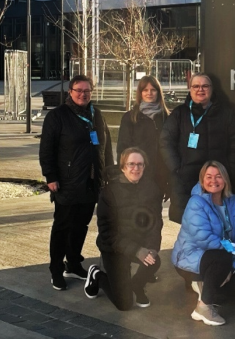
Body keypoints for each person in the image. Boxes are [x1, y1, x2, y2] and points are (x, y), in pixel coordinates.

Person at [39, 74, 113, 291]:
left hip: (92, 183)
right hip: (67, 183)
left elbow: (106, 146)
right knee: (62, 227)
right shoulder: (58, 116)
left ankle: (73, 263)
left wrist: (108, 172)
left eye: (87, 91)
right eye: (78, 90)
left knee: (81, 225)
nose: (83, 94)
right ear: (70, 92)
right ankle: (55, 269)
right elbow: (46, 149)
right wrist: (50, 176)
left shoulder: (96, 115)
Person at [172, 161, 235, 326]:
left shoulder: (232, 201)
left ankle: (204, 284)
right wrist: (234, 251)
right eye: (208, 177)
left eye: (218, 176)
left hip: (221, 258)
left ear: (225, 180)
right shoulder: (196, 203)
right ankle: (203, 307)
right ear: (202, 180)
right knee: (221, 257)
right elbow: (206, 239)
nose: (213, 180)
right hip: (190, 257)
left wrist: (233, 268)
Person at [83, 148, 162, 310]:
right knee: (124, 304)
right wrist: (136, 250)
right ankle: (97, 275)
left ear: (144, 167)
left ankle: (136, 285)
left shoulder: (152, 189)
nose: (136, 168)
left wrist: (152, 248)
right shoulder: (109, 192)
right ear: (123, 167)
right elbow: (106, 232)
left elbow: (156, 223)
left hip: (138, 244)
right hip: (114, 248)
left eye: (140, 164)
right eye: (131, 164)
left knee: (154, 261)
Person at [160, 73, 235, 224]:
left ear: (211, 89)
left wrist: (229, 168)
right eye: (196, 86)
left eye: (205, 86)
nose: (200, 90)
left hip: (217, 180)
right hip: (186, 179)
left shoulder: (225, 113)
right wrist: (177, 168)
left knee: (217, 221)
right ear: (190, 89)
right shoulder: (180, 113)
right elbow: (166, 142)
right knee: (190, 223)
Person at [116, 75, 170, 202]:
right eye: (145, 90)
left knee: (155, 216)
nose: (149, 93)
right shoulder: (130, 117)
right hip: (136, 174)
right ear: (140, 93)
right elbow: (122, 147)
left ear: (158, 92)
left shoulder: (167, 117)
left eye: (153, 90)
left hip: (159, 175)